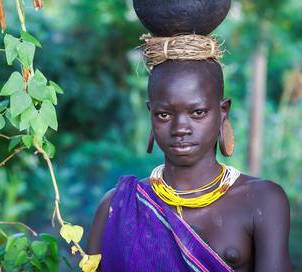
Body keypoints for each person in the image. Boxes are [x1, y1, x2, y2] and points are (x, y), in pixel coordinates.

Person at [87, 59, 291, 271]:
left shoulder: (262, 200)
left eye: (198, 113)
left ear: (223, 112)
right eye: (164, 114)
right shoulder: (117, 206)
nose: (180, 128)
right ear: (151, 114)